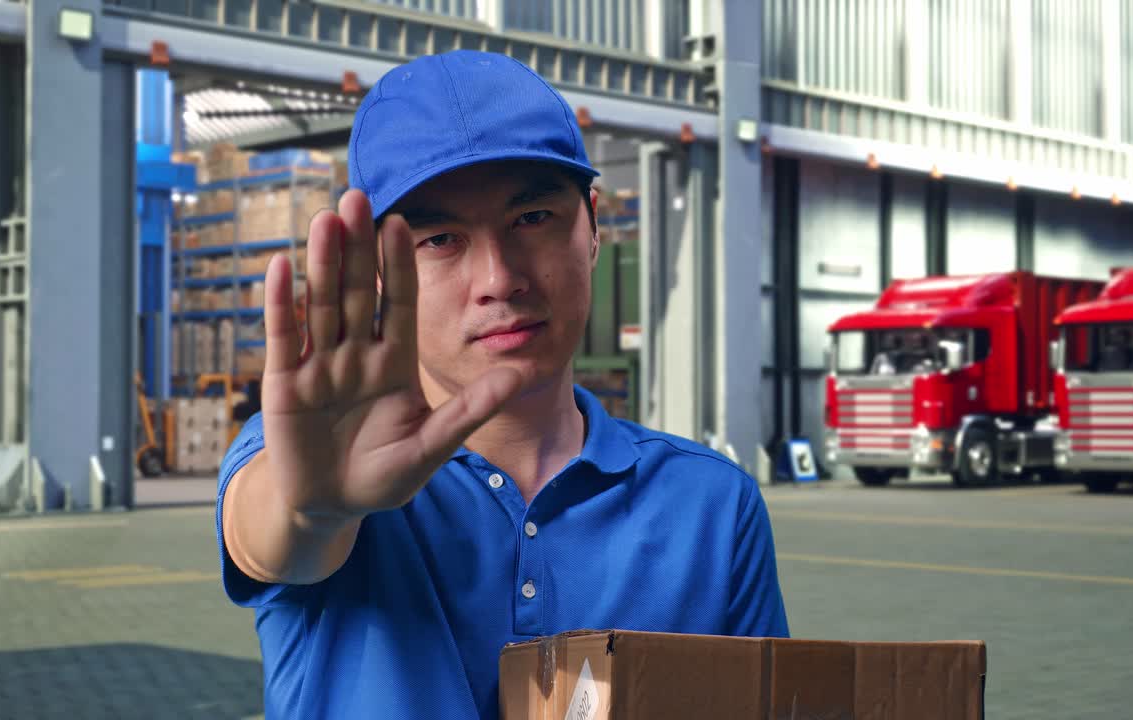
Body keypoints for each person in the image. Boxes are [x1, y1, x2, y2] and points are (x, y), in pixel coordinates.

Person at [215, 50, 789, 720]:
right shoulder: (323, 460)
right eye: (439, 239)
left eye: (532, 219)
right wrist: (314, 512)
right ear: (377, 270)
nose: (498, 278)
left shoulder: (712, 507)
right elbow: (274, 533)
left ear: (594, 225)